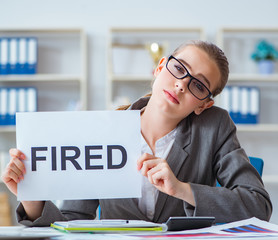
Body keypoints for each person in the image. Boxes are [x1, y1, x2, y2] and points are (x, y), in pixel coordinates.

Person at [2, 40, 272, 227]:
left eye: (198, 86)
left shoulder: (215, 126)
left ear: (204, 104)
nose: (180, 85)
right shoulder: (105, 129)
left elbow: (258, 205)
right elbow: (72, 221)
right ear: (159, 67)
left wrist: (182, 189)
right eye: (178, 69)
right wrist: (33, 200)